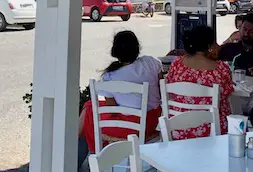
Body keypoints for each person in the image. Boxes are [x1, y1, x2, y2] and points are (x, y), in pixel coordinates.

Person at [78, 31, 162, 160]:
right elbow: (160, 86)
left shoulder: (109, 77)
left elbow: (113, 109)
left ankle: (95, 154)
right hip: (151, 121)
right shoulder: (152, 62)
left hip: (129, 128)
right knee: (89, 107)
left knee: (89, 109)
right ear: (137, 48)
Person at [165, 25, 234, 139]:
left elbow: (171, 92)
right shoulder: (221, 69)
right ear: (209, 46)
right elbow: (225, 97)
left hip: (178, 126)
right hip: (211, 129)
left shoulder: (177, 64)